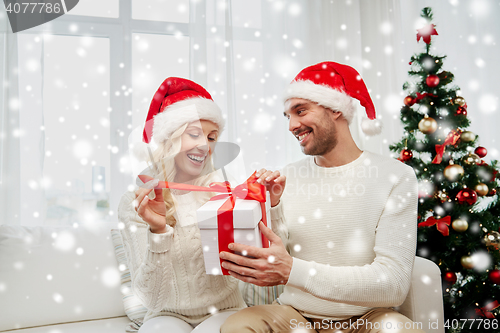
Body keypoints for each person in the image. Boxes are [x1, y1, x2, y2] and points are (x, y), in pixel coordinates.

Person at [219, 62, 425, 333]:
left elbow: (393, 285)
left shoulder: (395, 176)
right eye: (287, 116)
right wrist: (274, 206)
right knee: (238, 326)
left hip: (367, 319)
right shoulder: (286, 177)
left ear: (336, 108)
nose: (292, 125)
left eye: (301, 111)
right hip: (295, 317)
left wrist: (294, 270)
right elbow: (279, 255)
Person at [117, 77, 247, 333]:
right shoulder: (138, 202)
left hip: (226, 310)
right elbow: (148, 296)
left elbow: (255, 264)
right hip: (164, 314)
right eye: (194, 134)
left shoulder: (226, 190)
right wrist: (158, 232)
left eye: (212, 138)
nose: (205, 145)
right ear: (170, 140)